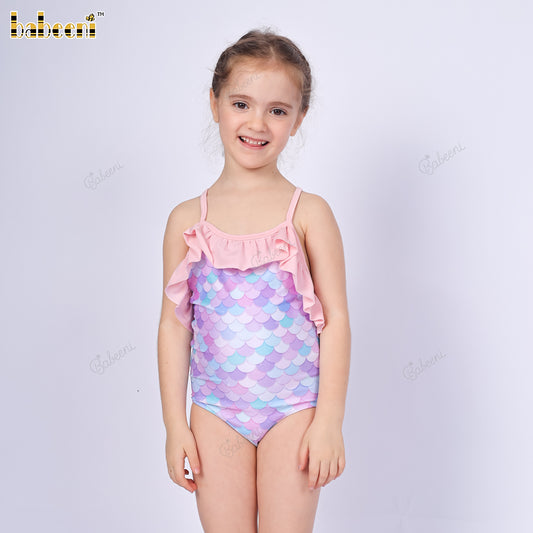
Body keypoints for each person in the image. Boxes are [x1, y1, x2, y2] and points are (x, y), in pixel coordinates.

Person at [157, 27, 351, 533]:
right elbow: (174, 325)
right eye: (241, 104)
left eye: (278, 110)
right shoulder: (187, 220)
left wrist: (329, 421)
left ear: (298, 119)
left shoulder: (308, 214)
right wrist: (175, 424)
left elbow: (335, 321)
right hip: (216, 411)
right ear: (215, 103)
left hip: (294, 410)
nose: (257, 123)